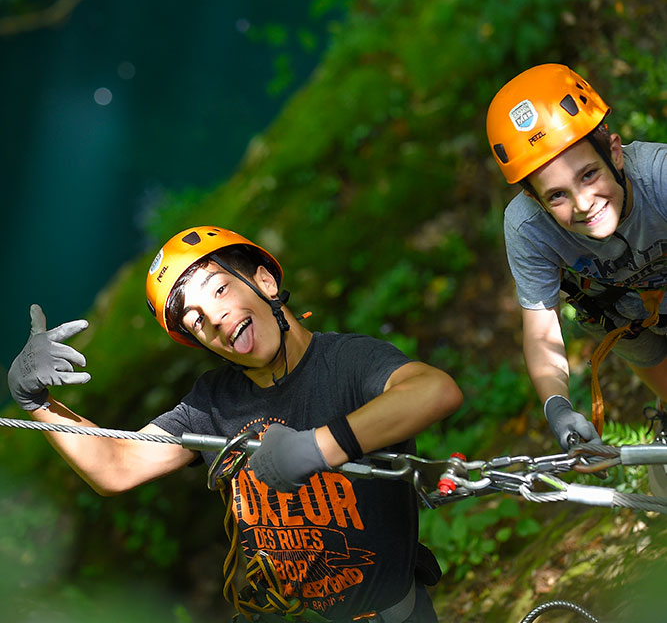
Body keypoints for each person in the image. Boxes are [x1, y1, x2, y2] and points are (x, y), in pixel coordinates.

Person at [8, 225, 463, 622]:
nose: (215, 317)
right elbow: (116, 465)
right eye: (196, 320)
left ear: (263, 280)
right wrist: (38, 403)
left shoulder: (348, 363)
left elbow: (432, 391)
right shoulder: (212, 404)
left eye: (220, 290)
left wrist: (319, 447)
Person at [486, 63, 667, 452]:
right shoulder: (528, 229)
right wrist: (558, 407)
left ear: (615, 153)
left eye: (588, 175)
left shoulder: (661, 179)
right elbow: (541, 329)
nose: (583, 204)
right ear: (535, 199)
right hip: (625, 320)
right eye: (557, 195)